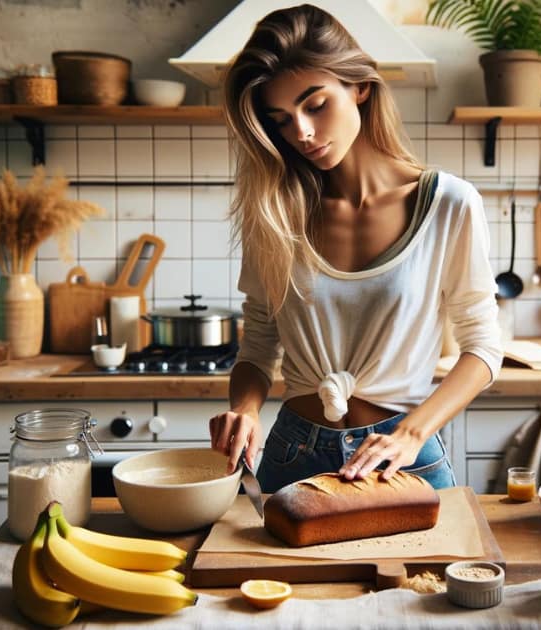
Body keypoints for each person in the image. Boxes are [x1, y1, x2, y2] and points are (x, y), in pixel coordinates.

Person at [209, 4, 503, 493]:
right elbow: (259, 343)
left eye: (315, 105)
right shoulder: (274, 213)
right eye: (280, 120)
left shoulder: (449, 203)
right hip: (294, 454)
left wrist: (412, 433)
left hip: (401, 459)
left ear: (360, 87)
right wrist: (245, 408)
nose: (301, 133)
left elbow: (484, 346)